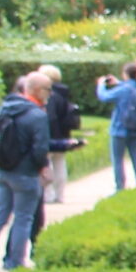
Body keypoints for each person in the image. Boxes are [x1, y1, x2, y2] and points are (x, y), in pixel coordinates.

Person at [0, 73, 52, 272]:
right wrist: (42, 168)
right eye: (48, 89)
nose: (50, 94)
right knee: (23, 218)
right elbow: (40, 148)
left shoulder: (6, 108)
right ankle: (15, 263)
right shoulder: (37, 115)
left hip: (3, 170)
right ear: (37, 90)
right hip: (25, 174)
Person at [95, 60, 136, 189]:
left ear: (125, 74)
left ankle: (120, 186)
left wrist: (101, 85)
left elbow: (104, 96)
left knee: (118, 159)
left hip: (120, 128)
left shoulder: (123, 90)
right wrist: (119, 83)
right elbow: (131, 88)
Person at [41, 64, 82, 204]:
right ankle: (60, 194)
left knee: (48, 164)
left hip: (52, 135)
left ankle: (49, 194)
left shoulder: (50, 95)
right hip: (63, 134)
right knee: (59, 163)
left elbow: (50, 117)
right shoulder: (63, 93)